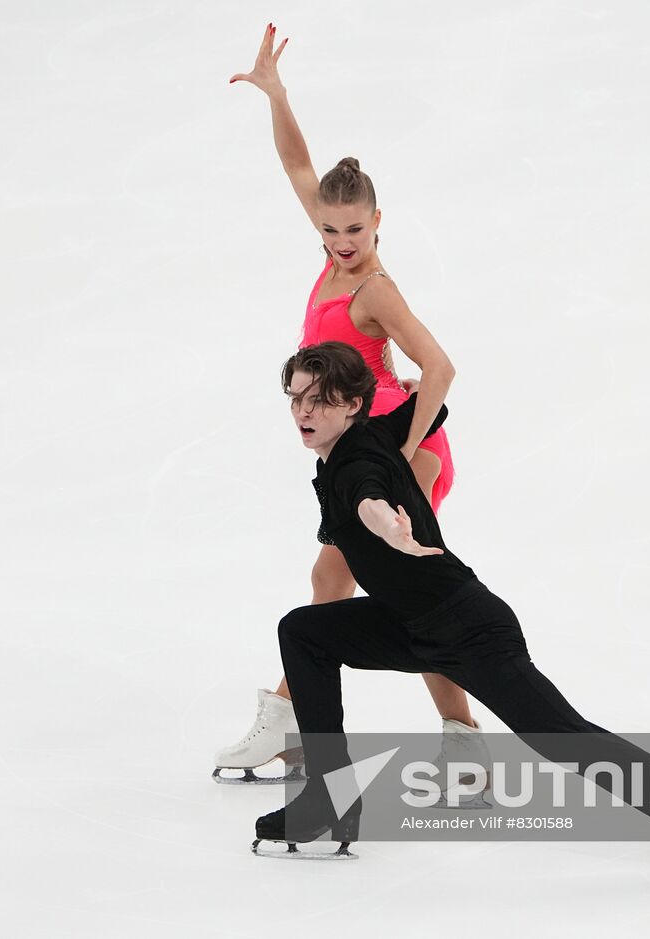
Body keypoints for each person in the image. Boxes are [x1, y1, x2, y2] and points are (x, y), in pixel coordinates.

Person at [252, 341, 650, 894]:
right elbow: (429, 410)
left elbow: (367, 494)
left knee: (565, 738)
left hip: (467, 628)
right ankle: (327, 799)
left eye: (320, 400)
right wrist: (421, 397)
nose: (303, 412)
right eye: (296, 398)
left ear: (351, 405)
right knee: (304, 631)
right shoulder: (368, 435)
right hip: (409, 623)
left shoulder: (356, 462)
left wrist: (386, 523)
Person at [214, 23, 484, 786]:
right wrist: (277, 94)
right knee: (335, 584)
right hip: (360, 453)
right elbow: (299, 164)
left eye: (354, 228)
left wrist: (405, 453)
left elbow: (440, 367)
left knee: (390, 588)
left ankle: (293, 721)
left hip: (399, 448)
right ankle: (304, 723)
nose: (339, 239)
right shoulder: (333, 255)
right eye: (330, 228)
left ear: (378, 222)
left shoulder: (374, 287)